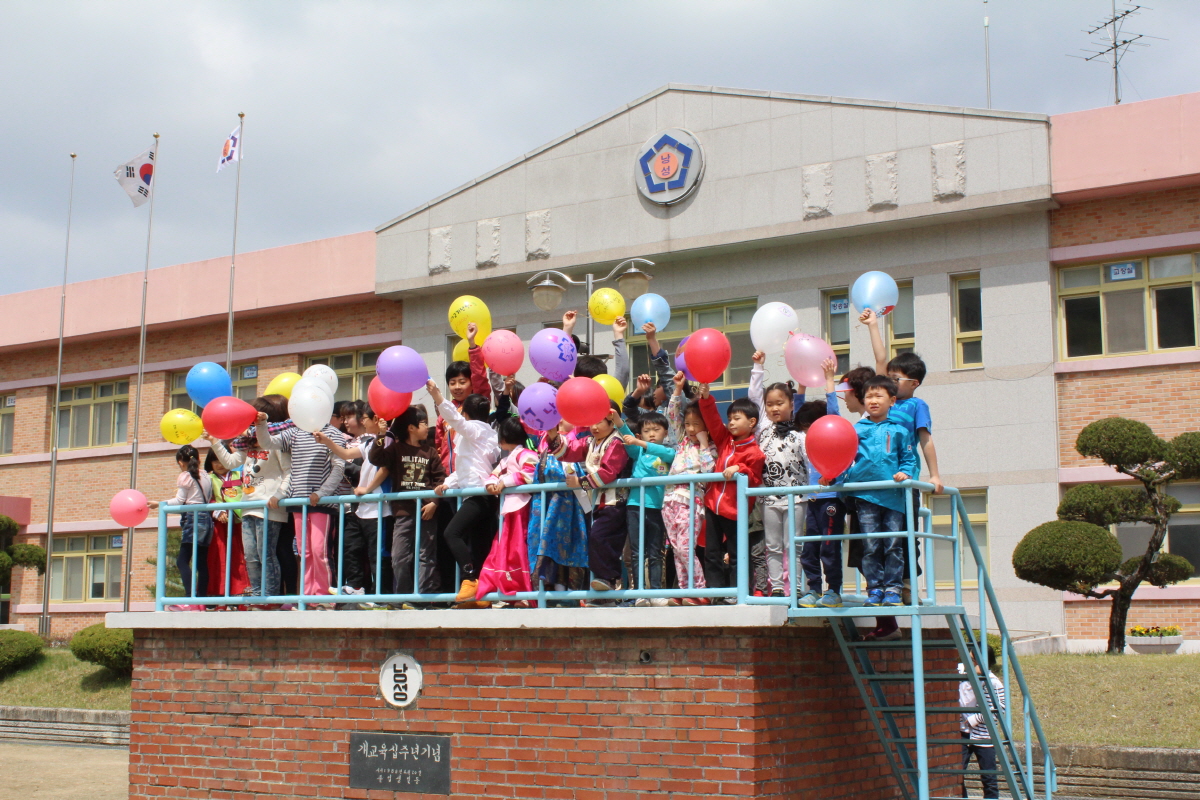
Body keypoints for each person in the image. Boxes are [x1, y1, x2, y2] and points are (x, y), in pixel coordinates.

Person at [823, 375, 917, 607]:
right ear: (863, 401)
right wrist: (832, 475)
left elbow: (909, 458)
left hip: (893, 497)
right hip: (865, 497)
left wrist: (905, 473)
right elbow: (844, 459)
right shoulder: (856, 430)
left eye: (879, 396)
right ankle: (874, 590)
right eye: (869, 396)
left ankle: (893, 589)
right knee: (870, 544)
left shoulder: (899, 431)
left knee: (894, 544)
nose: (873, 401)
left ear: (892, 400)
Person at [253, 411, 347, 603]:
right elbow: (267, 443)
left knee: (320, 551)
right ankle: (307, 596)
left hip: (323, 503)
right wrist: (262, 424)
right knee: (305, 552)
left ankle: (325, 597)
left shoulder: (334, 434)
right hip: (299, 502)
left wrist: (321, 493)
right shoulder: (294, 432)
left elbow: (339, 468)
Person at [211, 394, 293, 604]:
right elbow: (231, 462)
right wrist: (213, 442)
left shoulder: (276, 443)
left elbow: (289, 472)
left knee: (266, 554)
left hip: (269, 507)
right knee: (251, 556)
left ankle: (270, 597)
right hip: (248, 505)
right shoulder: (247, 443)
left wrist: (279, 495)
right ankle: (258, 594)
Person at [428, 380, 501, 609]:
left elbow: (456, 421)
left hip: (479, 496)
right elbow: (469, 467)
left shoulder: (476, 429)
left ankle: (469, 579)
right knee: (479, 546)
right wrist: (448, 483)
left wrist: (439, 397)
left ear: (467, 413)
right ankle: (479, 597)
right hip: (480, 494)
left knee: (452, 533)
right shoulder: (486, 433)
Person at [544, 401, 629, 595]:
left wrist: (580, 483)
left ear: (612, 421)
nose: (594, 427)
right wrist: (552, 435)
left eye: (600, 422)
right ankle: (605, 588)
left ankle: (609, 579)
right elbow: (570, 450)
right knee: (598, 540)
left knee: (601, 539)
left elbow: (608, 473)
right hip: (599, 502)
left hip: (614, 502)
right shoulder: (591, 442)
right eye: (592, 422)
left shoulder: (617, 442)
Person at [313, 403, 393, 605]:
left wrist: (366, 488)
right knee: (352, 547)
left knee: (378, 556)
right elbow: (347, 454)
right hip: (362, 508)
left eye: (364, 418)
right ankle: (355, 587)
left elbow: (385, 470)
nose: (361, 422)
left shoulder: (388, 440)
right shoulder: (367, 442)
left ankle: (381, 596)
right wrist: (326, 441)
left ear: (376, 420)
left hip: (379, 508)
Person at [748, 351, 808, 597]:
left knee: (794, 544)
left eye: (779, 403)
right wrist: (758, 367)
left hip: (796, 497)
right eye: (770, 404)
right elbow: (754, 395)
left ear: (791, 404)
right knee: (772, 546)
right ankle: (776, 588)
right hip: (769, 497)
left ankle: (794, 587)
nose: (774, 408)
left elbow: (811, 462)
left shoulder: (800, 434)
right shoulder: (762, 428)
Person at [368, 404, 444, 599]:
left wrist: (434, 503)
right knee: (399, 557)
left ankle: (424, 597)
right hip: (403, 512)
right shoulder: (396, 449)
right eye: (423, 423)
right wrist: (381, 435)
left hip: (427, 511)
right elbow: (376, 458)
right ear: (411, 427)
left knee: (426, 556)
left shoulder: (431, 452)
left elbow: (440, 481)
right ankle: (402, 596)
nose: (427, 427)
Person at [697, 384, 766, 592]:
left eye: (737, 418)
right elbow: (713, 420)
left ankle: (739, 592)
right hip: (713, 505)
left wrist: (740, 467)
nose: (731, 422)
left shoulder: (755, 452)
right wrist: (707, 398)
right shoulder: (724, 440)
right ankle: (715, 592)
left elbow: (754, 478)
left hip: (735, 510)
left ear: (752, 422)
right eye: (730, 418)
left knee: (737, 553)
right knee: (712, 552)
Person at [794, 358, 846, 609]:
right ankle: (813, 589)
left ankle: (833, 590)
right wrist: (801, 386)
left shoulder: (829, 433)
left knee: (829, 546)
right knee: (809, 548)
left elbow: (833, 413)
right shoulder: (806, 441)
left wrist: (828, 381)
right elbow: (797, 414)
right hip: (811, 498)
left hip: (831, 499)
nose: (805, 432)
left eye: (808, 426)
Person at [662, 371, 713, 604]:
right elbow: (672, 417)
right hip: (669, 499)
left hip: (690, 500)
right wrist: (677, 390)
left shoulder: (709, 446)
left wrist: (703, 443)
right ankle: (684, 591)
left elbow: (709, 471)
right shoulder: (682, 441)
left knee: (685, 548)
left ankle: (698, 590)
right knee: (676, 550)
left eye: (697, 424)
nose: (691, 429)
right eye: (689, 424)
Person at [527, 419, 591, 599]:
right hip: (550, 509)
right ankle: (549, 589)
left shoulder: (572, 450)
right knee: (549, 546)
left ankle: (566, 591)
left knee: (567, 548)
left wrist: (585, 507)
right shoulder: (549, 453)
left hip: (568, 511)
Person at [478, 417, 539, 603]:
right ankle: (509, 594)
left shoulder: (527, 454)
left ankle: (524, 594)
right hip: (510, 511)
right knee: (505, 549)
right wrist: (491, 485)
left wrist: (504, 482)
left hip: (523, 509)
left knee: (519, 550)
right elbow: (492, 475)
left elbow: (530, 474)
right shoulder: (507, 459)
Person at [618, 410, 674, 604]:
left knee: (655, 551)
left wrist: (640, 442)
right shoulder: (638, 451)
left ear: (665, 432)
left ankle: (656, 592)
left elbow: (666, 453)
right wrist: (618, 421)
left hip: (657, 507)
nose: (652, 433)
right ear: (640, 433)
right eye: (647, 430)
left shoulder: (669, 452)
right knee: (636, 551)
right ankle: (640, 592)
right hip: (635, 505)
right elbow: (628, 438)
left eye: (656, 429)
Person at [148, 445, 213, 610]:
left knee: (182, 560)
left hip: (192, 518)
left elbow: (179, 501)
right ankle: (202, 600)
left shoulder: (185, 476)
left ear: (180, 462)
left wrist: (159, 503)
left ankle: (189, 599)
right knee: (201, 562)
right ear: (199, 460)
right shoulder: (206, 475)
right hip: (207, 519)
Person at [960, 645, 1006, 800]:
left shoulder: (993, 682)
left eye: (972, 660)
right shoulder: (965, 676)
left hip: (984, 736)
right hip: (963, 733)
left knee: (989, 778)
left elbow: (998, 709)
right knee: (957, 774)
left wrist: (972, 720)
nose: (969, 663)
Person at [204, 448, 249, 601]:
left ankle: (240, 597)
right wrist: (217, 511)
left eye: (221, 459)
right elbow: (206, 498)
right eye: (214, 460)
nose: (219, 464)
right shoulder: (207, 478)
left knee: (240, 559)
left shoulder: (241, 475)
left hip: (240, 523)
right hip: (219, 526)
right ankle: (217, 598)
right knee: (218, 559)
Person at [622, 322, 675, 424]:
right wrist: (638, 392)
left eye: (658, 386)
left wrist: (652, 339)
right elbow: (628, 409)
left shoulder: (678, 411)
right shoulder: (654, 416)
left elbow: (665, 373)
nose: (654, 391)